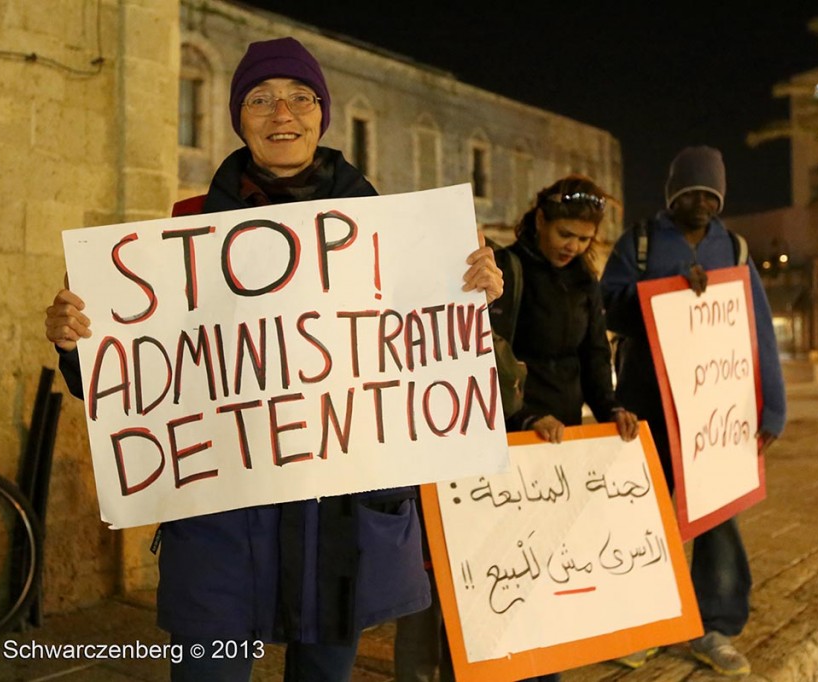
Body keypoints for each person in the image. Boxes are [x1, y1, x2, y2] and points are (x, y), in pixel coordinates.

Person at [43, 36, 503, 682]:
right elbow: (136, 380)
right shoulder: (186, 231)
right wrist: (78, 345)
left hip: (339, 526)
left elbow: (423, 359)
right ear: (239, 118)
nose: (281, 113)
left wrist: (474, 302)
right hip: (222, 526)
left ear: (323, 113)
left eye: (299, 97)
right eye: (260, 99)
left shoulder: (394, 234)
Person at [393, 175, 639, 682]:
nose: (573, 247)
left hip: (558, 447)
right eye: (565, 234)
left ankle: (536, 665)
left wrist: (611, 407)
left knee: (544, 567)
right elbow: (484, 358)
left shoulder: (583, 281)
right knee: (490, 569)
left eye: (584, 239)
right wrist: (523, 418)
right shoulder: (506, 270)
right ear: (540, 221)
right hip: (504, 442)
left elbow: (594, 354)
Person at [599, 146, 786, 677]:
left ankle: (715, 626)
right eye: (692, 193)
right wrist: (664, 291)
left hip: (714, 410)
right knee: (646, 516)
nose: (703, 202)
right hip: (647, 403)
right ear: (673, 194)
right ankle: (649, 622)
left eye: (712, 194)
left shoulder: (736, 247)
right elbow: (607, 302)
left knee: (717, 517)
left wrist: (771, 408)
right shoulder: (637, 242)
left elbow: (758, 330)